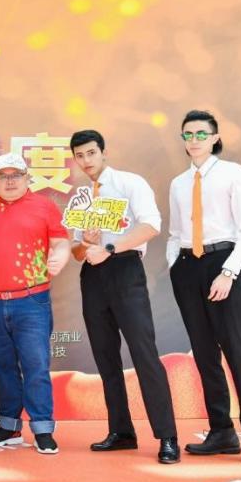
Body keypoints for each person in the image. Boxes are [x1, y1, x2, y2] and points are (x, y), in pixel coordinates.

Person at [167, 110, 241, 468]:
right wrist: (175, 266)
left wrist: (228, 271)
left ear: (214, 137)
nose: (194, 140)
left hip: (223, 262)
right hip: (187, 268)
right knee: (204, 354)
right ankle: (221, 432)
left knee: (239, 353)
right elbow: (175, 232)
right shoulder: (178, 183)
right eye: (188, 134)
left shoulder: (233, 173)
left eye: (201, 133)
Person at [69, 129, 179, 464]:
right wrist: (86, 243)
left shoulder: (130, 183)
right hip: (92, 277)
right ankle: (121, 431)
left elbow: (151, 225)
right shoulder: (81, 197)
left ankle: (167, 436)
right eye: (79, 156)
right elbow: (76, 252)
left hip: (125, 269)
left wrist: (110, 247)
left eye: (91, 153)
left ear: (103, 152)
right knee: (105, 357)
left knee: (144, 353)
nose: (86, 160)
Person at [0, 153, 70, 455]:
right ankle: (9, 426)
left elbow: (61, 241)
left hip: (32, 300)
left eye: (15, 175)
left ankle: (43, 428)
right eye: (3, 176)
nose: (9, 181)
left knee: (36, 365)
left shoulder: (44, 206)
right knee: (2, 368)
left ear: (27, 178)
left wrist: (60, 257)